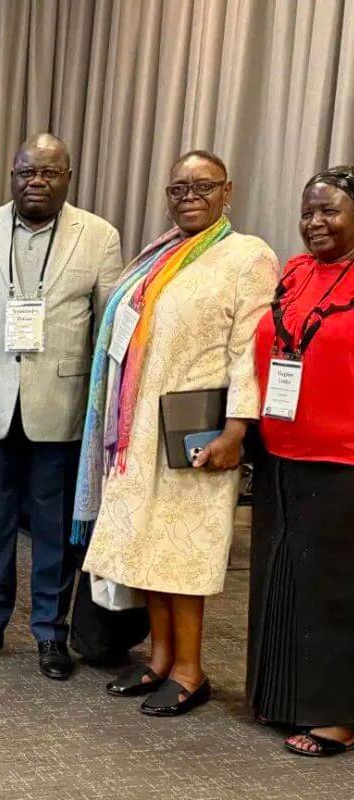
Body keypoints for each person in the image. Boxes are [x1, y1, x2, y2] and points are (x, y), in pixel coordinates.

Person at [77, 150, 278, 715]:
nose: (190, 195)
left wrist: (237, 430)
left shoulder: (248, 256)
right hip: (140, 428)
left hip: (197, 431)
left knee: (185, 553)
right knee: (150, 549)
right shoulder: (159, 253)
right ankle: (160, 659)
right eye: (179, 188)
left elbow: (248, 350)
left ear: (228, 190)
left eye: (203, 186)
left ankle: (191, 670)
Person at [0, 133, 124, 680]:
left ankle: (50, 632)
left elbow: (108, 331)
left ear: (68, 176)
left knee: (52, 524)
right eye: (26, 172)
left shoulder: (99, 236)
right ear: (12, 174)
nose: (36, 182)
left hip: (63, 404)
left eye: (48, 172)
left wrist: (102, 413)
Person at [248, 165, 354, 757]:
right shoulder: (294, 271)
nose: (316, 222)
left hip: (342, 457)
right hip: (279, 448)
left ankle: (335, 713)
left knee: (331, 589)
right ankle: (284, 698)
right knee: (282, 580)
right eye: (309, 211)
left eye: (330, 211)